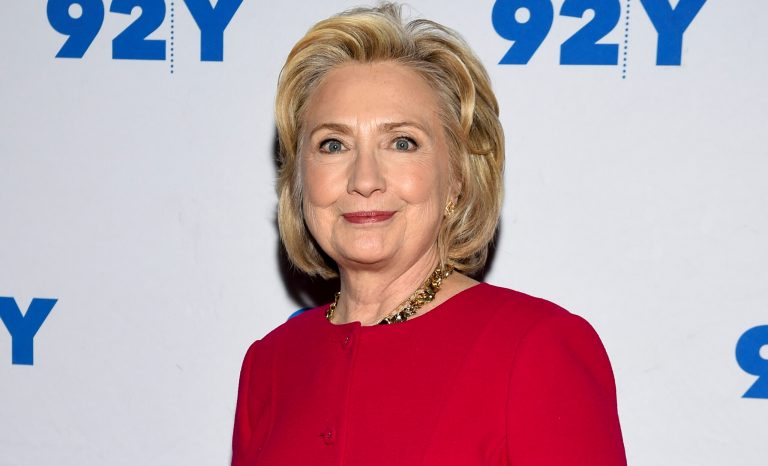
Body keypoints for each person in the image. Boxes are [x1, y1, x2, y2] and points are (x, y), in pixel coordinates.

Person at [232, 3, 626, 465]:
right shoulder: (272, 364)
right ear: (299, 179)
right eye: (332, 144)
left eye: (402, 142)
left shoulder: (535, 350)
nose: (364, 178)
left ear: (457, 176)